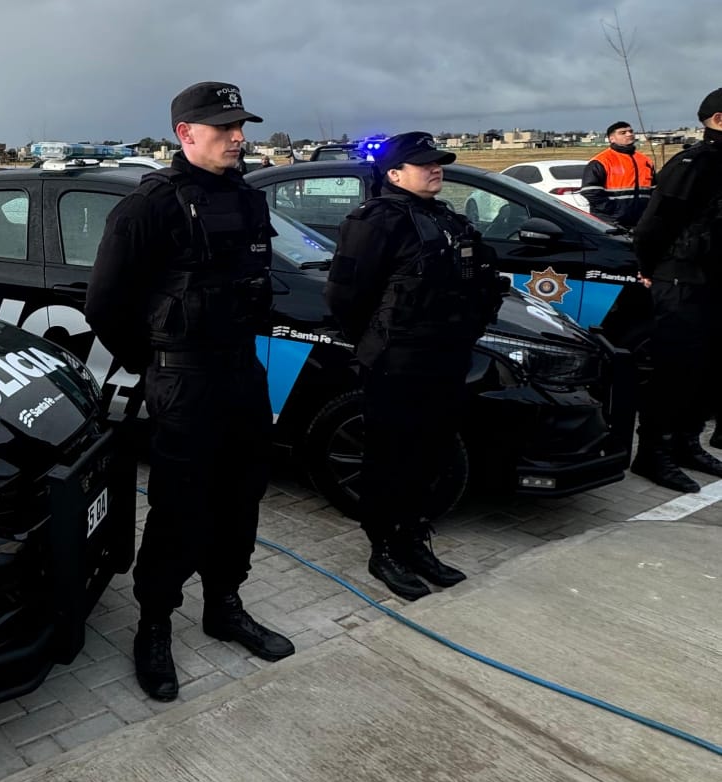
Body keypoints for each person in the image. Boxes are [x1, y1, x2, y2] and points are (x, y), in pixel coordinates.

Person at [86, 81, 294, 702]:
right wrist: (156, 360)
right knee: (181, 505)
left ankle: (224, 605)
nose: (239, 137)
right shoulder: (150, 207)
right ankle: (154, 625)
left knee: (242, 496)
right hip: (184, 380)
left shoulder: (246, 199)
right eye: (225, 127)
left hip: (241, 373)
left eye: (241, 126)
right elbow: (104, 304)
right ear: (185, 134)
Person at [323, 132, 503, 601]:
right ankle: (384, 548)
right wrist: (378, 341)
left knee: (431, 456)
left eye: (438, 162)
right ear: (395, 174)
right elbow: (346, 295)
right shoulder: (375, 221)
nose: (436, 169)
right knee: (390, 459)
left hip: (445, 358)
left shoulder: (446, 218)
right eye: (424, 164)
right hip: (396, 363)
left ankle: (414, 539)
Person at [630, 88, 722, 491]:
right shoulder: (693, 164)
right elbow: (653, 227)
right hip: (683, 282)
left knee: (707, 371)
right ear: (717, 120)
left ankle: (687, 442)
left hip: (715, 283)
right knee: (674, 372)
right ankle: (653, 452)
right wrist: (651, 270)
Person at [579, 121, 656, 229]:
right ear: (612, 138)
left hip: (639, 221)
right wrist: (614, 211)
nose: (629, 134)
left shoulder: (645, 161)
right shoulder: (601, 161)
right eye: (623, 132)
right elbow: (590, 191)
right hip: (610, 221)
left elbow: (654, 190)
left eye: (631, 131)